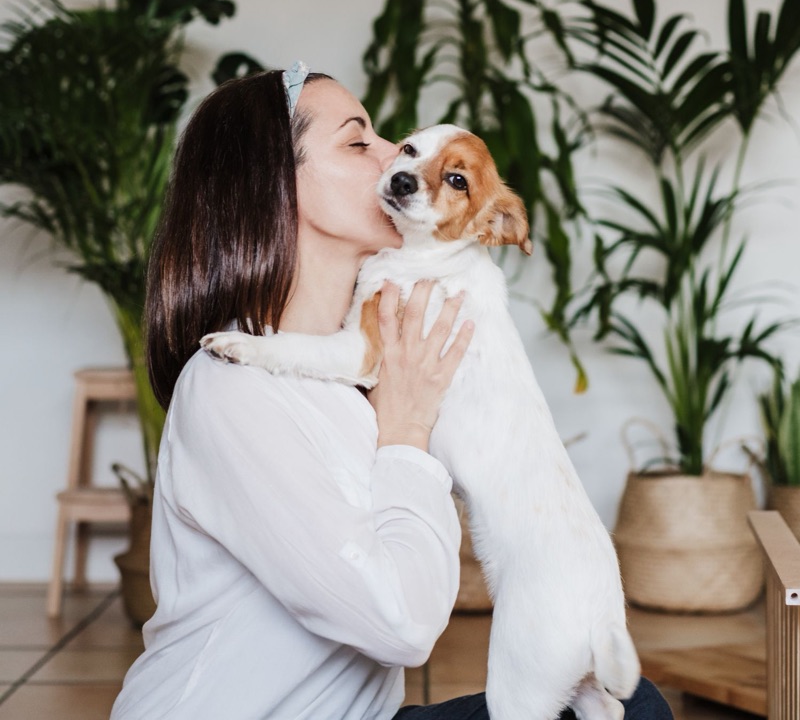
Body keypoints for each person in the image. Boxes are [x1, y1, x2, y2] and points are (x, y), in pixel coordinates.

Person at [111, 64, 673, 719]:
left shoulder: (365, 368)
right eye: (359, 142)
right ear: (271, 185)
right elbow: (402, 625)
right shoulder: (233, 387)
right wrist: (407, 425)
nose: (394, 156)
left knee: (636, 706)